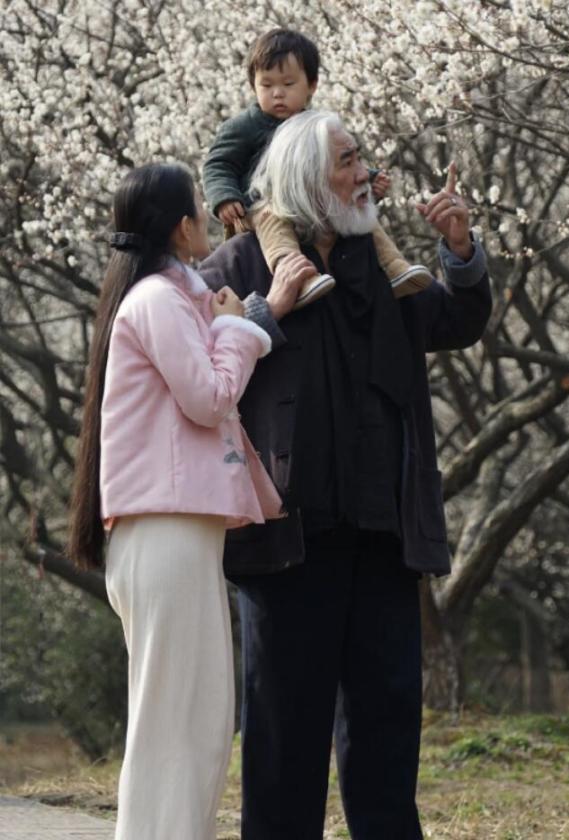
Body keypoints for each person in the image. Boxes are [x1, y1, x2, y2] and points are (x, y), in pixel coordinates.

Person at [199, 110, 492, 840]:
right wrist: (265, 312)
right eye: (348, 161)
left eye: (363, 158)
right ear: (305, 180)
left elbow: (455, 323)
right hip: (287, 541)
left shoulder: (385, 269)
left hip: (384, 534)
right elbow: (196, 362)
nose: (366, 174)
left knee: (386, 736)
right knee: (281, 739)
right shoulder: (241, 266)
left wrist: (458, 249)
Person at [67, 163, 287, 840]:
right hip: (164, 531)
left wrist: (225, 320)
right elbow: (208, 397)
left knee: (195, 719)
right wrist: (240, 330)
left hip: (173, 532)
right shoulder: (159, 302)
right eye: (197, 208)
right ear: (181, 226)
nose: (206, 219)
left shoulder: (162, 298)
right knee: (174, 723)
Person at [202, 27, 432, 309]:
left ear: (311, 86)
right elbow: (218, 164)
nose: (277, 94)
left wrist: (367, 181)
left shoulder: (315, 125)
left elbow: (334, 162)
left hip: (306, 200)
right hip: (260, 204)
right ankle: (298, 275)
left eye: (288, 85)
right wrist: (225, 197)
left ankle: (396, 269)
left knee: (364, 218)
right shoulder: (243, 127)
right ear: (253, 86)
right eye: (266, 85)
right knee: (273, 222)